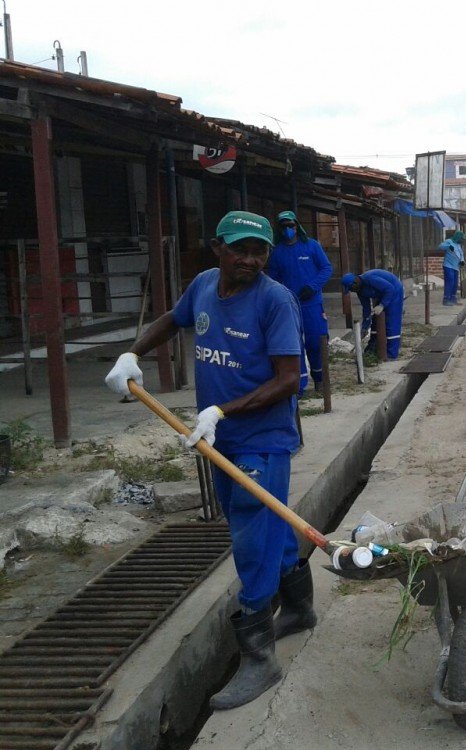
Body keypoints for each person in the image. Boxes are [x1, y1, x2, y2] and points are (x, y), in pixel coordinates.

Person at [103, 211, 316, 710]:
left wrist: (221, 410)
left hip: (262, 438)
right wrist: (130, 354)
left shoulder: (274, 299)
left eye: (260, 251)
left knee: (250, 536)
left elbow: (290, 379)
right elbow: (171, 320)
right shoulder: (201, 285)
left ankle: (259, 656)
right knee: (272, 527)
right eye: (240, 248)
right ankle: (301, 609)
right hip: (216, 438)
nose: (251, 259)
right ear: (218, 247)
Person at [266, 210, 333, 390]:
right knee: (293, 346)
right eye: (284, 226)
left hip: (312, 304)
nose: (288, 229)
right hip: (289, 306)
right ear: (279, 229)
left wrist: (313, 286)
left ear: (297, 226)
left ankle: (320, 379)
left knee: (316, 341)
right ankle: (299, 385)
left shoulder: (311, 246)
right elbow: (272, 279)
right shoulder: (277, 253)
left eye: (291, 225)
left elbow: (326, 269)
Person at [341, 269, 405, 359]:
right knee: (375, 322)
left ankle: (391, 355)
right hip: (381, 295)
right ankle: (372, 349)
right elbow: (366, 309)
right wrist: (364, 328)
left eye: (351, 288)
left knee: (391, 323)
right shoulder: (360, 291)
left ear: (355, 282)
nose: (352, 291)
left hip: (395, 292)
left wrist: (382, 305)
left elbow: (390, 289)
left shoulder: (370, 279)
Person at [438, 230, 465, 305]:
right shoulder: (449, 241)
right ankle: (446, 299)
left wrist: (462, 261)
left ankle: (453, 298)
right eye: (461, 239)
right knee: (450, 281)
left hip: (455, 266)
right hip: (448, 265)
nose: (462, 240)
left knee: (455, 283)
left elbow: (461, 254)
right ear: (458, 237)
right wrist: (448, 246)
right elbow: (440, 246)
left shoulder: (458, 245)